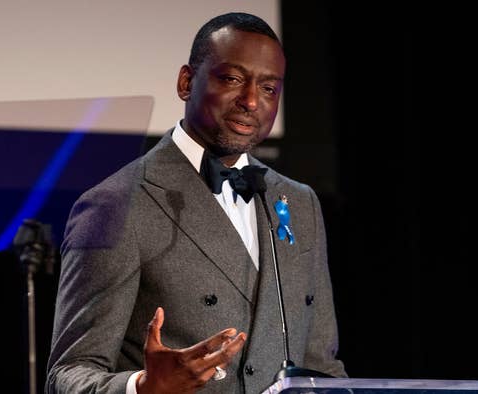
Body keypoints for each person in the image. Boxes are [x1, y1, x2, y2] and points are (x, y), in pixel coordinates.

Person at [46, 12, 346, 394]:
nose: (251, 101)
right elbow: (68, 374)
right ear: (187, 83)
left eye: (269, 88)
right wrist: (142, 386)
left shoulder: (299, 204)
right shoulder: (116, 204)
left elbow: (323, 368)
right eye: (232, 79)